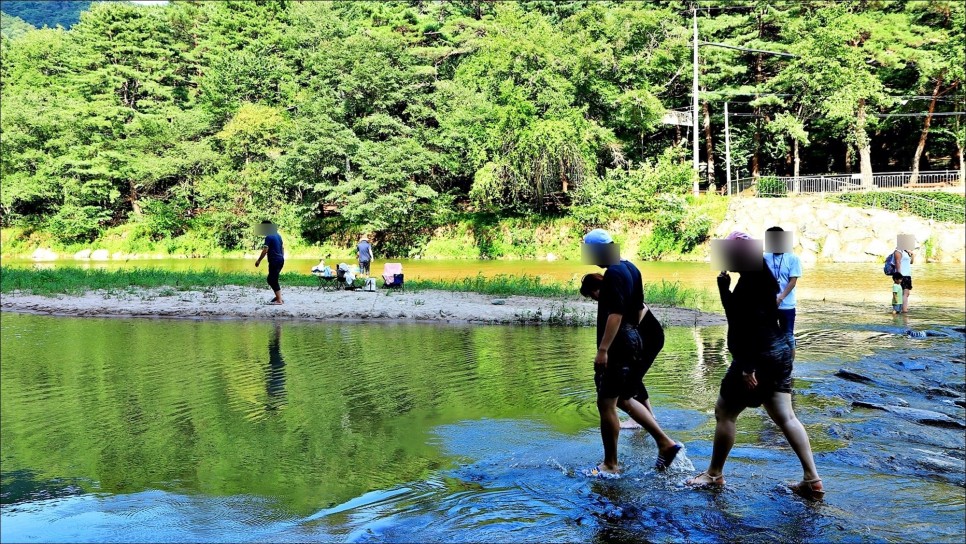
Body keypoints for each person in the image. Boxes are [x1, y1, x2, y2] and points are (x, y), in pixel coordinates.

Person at [687, 231, 824, 501]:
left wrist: (748, 368)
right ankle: (812, 479)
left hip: (757, 354)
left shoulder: (751, 282)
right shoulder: (761, 276)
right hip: (779, 350)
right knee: (786, 416)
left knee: (724, 412)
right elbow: (739, 314)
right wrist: (723, 288)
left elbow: (748, 325)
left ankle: (714, 475)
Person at [581, 229, 682, 478]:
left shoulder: (613, 273)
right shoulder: (630, 268)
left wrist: (603, 349)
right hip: (630, 338)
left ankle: (610, 464)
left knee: (606, 403)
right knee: (624, 398)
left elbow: (615, 314)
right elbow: (637, 311)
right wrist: (632, 336)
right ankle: (665, 444)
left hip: (617, 345)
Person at [763, 226, 802, 360]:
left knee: (788, 335)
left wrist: (780, 297)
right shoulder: (764, 257)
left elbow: (793, 281)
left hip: (787, 305)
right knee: (768, 334)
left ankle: (790, 366)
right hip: (768, 305)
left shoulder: (793, 259)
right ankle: (771, 363)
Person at [255, 220, 284, 305]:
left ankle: (279, 300)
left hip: (274, 260)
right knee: (273, 279)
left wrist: (258, 260)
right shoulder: (278, 235)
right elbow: (282, 248)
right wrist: (282, 257)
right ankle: (279, 298)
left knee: (271, 279)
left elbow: (265, 250)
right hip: (280, 260)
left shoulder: (269, 237)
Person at [893, 245, 914, 313]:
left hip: (907, 275)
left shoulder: (906, 251)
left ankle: (901, 309)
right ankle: (904, 310)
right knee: (904, 293)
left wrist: (912, 254)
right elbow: (897, 262)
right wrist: (899, 276)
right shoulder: (898, 251)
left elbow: (911, 262)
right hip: (902, 275)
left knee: (906, 293)